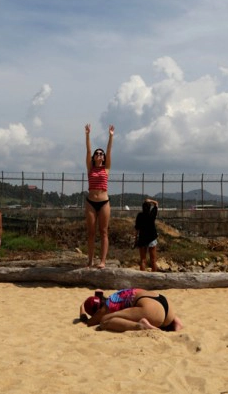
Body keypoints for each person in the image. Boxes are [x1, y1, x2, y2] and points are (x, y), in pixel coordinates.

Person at [78, 288, 183, 332]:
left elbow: (89, 322)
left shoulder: (106, 307)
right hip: (166, 304)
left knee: (104, 321)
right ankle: (174, 322)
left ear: (96, 311)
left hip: (151, 310)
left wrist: (81, 309)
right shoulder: (116, 296)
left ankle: (141, 325)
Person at [85, 123, 114, 269]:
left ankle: (102, 261)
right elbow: (88, 150)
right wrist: (87, 135)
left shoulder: (106, 168)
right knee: (91, 232)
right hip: (91, 202)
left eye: (101, 154)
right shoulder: (90, 168)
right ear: (94, 157)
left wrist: (110, 136)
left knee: (103, 232)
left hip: (104, 202)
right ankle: (90, 260)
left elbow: (109, 151)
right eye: (97, 153)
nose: (99, 155)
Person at [135, 198, 159, 271]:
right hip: (152, 238)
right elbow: (156, 204)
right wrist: (150, 200)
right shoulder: (152, 214)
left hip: (142, 238)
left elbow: (137, 228)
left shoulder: (140, 215)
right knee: (153, 260)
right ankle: (155, 275)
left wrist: (136, 238)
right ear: (149, 208)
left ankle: (142, 275)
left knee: (143, 260)